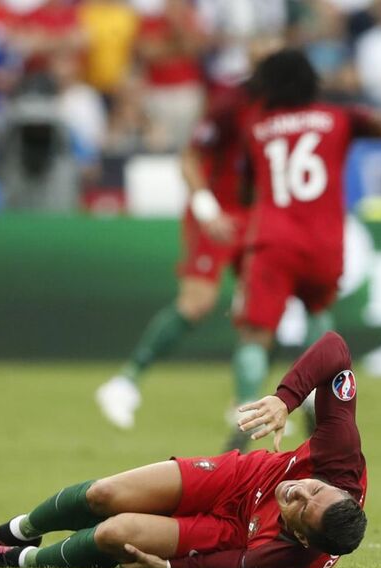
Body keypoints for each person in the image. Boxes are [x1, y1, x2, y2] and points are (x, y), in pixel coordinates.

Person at [0, 331, 367, 568]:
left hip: (233, 531)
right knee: (104, 495)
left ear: (300, 536)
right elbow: (335, 348)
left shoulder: (288, 556)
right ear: (336, 488)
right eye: (314, 489)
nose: (299, 491)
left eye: (301, 507)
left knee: (115, 534)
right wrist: (285, 398)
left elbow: (234, 562)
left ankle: (20, 560)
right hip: (244, 476)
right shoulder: (339, 456)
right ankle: (16, 530)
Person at [225, 49, 381, 451]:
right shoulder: (338, 117)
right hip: (325, 242)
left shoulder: (257, 126)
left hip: (275, 241)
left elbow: (246, 190)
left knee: (254, 335)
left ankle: (242, 430)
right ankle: (319, 406)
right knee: (319, 321)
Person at [93, 42, 270, 429]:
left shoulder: (286, 107)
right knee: (197, 303)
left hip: (256, 217)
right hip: (217, 215)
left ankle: (245, 404)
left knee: (258, 311)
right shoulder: (230, 104)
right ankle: (125, 382)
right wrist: (207, 209)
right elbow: (189, 157)